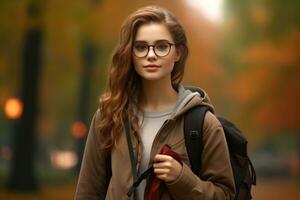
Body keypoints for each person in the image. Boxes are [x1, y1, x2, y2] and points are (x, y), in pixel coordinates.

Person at [75, 5, 235, 200]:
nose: (151, 55)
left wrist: (182, 178)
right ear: (130, 54)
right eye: (141, 47)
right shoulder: (110, 116)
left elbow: (225, 195)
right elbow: (87, 193)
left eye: (161, 46)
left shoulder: (203, 124)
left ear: (178, 53)